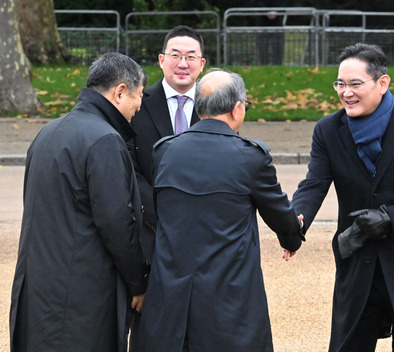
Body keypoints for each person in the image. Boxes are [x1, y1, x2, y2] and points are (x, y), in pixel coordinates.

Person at [292, 43, 394, 351]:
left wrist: (391, 218)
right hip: (358, 265)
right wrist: (296, 218)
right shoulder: (328, 129)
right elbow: (314, 182)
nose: (345, 92)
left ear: (382, 83)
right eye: (340, 84)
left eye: (355, 84)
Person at [137, 68, 304, 352]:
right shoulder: (250, 156)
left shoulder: (164, 150)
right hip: (228, 293)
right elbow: (278, 213)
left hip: (171, 290)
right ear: (237, 108)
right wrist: (292, 238)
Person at [9, 52, 148, 352]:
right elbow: (116, 222)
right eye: (138, 95)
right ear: (120, 91)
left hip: (38, 291)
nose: (140, 105)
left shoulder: (46, 133)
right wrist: (139, 282)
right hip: (80, 299)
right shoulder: (105, 140)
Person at [127, 25, 206, 349]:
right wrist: (161, 212)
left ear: (202, 63)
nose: (182, 63)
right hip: (151, 236)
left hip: (205, 239)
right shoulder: (137, 104)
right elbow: (130, 169)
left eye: (191, 56)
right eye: (175, 55)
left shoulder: (219, 104)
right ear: (161, 60)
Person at [252, 0, 286, 65]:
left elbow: (284, 3)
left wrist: (277, 11)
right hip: (262, 23)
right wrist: (265, 11)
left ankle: (278, 66)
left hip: (277, 22)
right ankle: (263, 66)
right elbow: (255, 2)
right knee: (262, 48)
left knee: (278, 48)